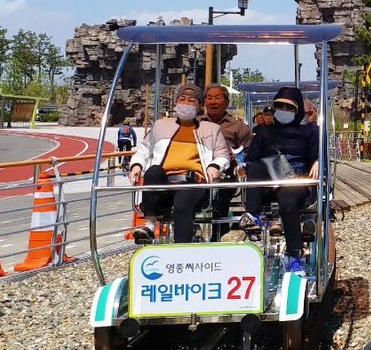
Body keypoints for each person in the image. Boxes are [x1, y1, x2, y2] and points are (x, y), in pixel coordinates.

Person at [128, 85, 230, 244]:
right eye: (182, 100)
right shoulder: (161, 125)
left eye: (191, 101)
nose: (186, 104)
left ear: (199, 106)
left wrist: (214, 166)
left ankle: (181, 247)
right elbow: (144, 149)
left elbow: (222, 155)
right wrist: (136, 165)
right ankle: (149, 225)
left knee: (182, 202)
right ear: (176, 103)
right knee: (153, 172)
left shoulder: (211, 129)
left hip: (193, 182)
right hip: (165, 181)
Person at [243, 86, 319, 274]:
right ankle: (253, 216)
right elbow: (251, 157)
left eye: (289, 108)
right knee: (257, 166)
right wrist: (243, 166)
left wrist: (317, 161)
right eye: (280, 106)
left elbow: (316, 154)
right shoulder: (264, 132)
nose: (284, 111)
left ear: (297, 110)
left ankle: (294, 254)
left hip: (295, 177)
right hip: (268, 177)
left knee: (287, 202)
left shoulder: (309, 131)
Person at [202, 83, 252, 226]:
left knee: (222, 193)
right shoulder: (196, 123)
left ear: (226, 102)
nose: (213, 102)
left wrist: (236, 158)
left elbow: (249, 152)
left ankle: (220, 231)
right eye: (209, 98)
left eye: (217, 98)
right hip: (198, 171)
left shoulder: (238, 127)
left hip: (226, 173)